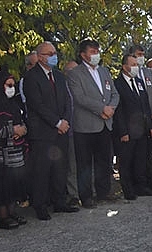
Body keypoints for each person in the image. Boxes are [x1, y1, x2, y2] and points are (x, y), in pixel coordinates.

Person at [22, 41, 77, 220]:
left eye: (54, 52)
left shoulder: (60, 76)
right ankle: (40, 205)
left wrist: (65, 121)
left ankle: (59, 202)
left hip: (61, 131)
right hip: (42, 133)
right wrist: (57, 122)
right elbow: (37, 105)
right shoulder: (31, 77)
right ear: (39, 57)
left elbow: (67, 101)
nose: (53, 56)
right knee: (42, 170)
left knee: (60, 168)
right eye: (48, 53)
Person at [66, 39, 120, 208]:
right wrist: (101, 109)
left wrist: (110, 108)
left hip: (105, 123)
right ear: (83, 55)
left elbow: (114, 93)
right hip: (86, 126)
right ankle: (86, 196)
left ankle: (103, 191)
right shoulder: (75, 74)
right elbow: (79, 98)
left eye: (97, 50)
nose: (96, 54)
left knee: (104, 160)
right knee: (84, 163)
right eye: (92, 51)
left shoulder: (104, 71)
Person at [0, 69, 28, 229]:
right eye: (8, 84)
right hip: (0, 153)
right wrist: (12, 130)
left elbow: (22, 121)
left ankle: (12, 211)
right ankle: (2, 216)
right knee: (1, 185)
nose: (12, 87)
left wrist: (23, 129)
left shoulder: (13, 103)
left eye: (13, 84)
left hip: (16, 152)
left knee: (15, 183)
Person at [112, 54, 152, 200]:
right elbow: (118, 111)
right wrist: (123, 131)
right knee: (126, 161)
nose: (135, 67)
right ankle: (128, 189)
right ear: (125, 67)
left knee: (140, 160)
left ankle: (141, 186)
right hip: (127, 131)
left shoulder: (138, 82)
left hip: (142, 129)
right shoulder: (117, 84)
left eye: (136, 64)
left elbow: (145, 105)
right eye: (132, 64)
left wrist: (150, 126)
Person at [129, 45, 152, 193]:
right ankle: (138, 183)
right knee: (138, 154)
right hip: (136, 122)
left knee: (149, 153)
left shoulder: (147, 72)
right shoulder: (130, 73)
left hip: (150, 119)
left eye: (143, 54)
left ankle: (151, 180)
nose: (141, 57)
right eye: (138, 54)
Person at [62, 60, 80, 207]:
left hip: (85, 129)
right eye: (71, 71)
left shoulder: (83, 85)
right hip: (69, 130)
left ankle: (88, 191)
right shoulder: (63, 86)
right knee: (72, 165)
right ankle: (73, 194)